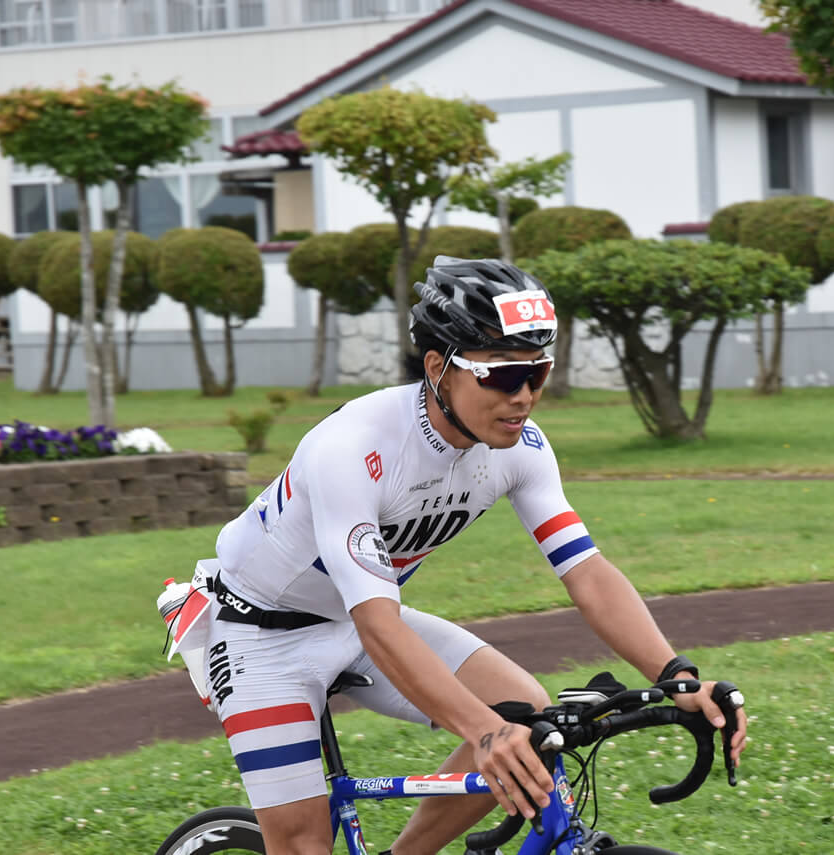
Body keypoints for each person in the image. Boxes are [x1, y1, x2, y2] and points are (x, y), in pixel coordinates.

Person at [193, 257, 748, 855]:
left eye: (537, 373)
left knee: (527, 714)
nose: (524, 397)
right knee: (303, 845)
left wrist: (676, 676)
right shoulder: (351, 446)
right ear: (438, 368)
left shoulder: (519, 448)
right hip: (258, 635)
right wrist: (483, 731)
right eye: (503, 376)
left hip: (352, 620)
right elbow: (377, 622)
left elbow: (586, 571)